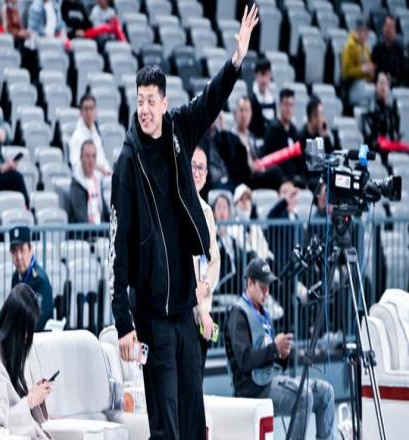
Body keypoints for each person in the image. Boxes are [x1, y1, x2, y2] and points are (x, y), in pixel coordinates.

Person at [109, 5, 259, 438]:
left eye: (151, 102)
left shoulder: (178, 131)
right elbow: (118, 247)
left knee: (193, 422)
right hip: (152, 315)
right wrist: (124, 322)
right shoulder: (127, 163)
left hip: (185, 312)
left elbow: (211, 100)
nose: (144, 110)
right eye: (139, 102)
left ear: (164, 103)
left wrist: (236, 61)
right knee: (167, 426)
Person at [224, 258, 335, 440]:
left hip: (271, 381)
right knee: (304, 397)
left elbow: (272, 359)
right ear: (249, 283)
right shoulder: (238, 315)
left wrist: (282, 355)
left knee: (326, 392)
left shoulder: (264, 314)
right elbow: (244, 361)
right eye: (262, 287)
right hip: (252, 390)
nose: (267, 293)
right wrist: (274, 348)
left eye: (268, 287)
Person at [0, 283, 53, 439]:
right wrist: (31, 400)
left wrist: (34, 396)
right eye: (25, 331)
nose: (26, 338)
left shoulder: (8, 357)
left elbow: (16, 407)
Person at [191, 147, 220, 371]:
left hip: (204, 314)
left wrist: (207, 284)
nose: (197, 172)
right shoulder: (177, 206)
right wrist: (200, 308)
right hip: (187, 311)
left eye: (201, 168)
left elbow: (214, 260)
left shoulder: (207, 211)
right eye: (192, 166)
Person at [266, 181, 301, 332]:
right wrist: (285, 200)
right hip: (282, 271)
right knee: (288, 296)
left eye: (292, 194)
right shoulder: (277, 216)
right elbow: (270, 216)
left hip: (298, 270)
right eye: (285, 193)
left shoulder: (296, 217)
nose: (290, 197)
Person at [233, 96, 284, 190]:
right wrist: (251, 168)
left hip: (256, 174)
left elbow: (256, 157)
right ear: (235, 113)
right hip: (243, 177)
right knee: (276, 172)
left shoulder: (251, 136)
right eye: (241, 110)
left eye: (247, 110)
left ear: (251, 113)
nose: (244, 114)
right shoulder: (230, 136)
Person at [10, 226, 54, 332]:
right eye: (14, 251)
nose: (18, 257)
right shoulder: (15, 277)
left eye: (22, 250)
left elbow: (40, 320)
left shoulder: (39, 280)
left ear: (30, 250)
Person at [297, 95, 335, 189]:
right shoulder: (301, 136)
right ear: (313, 117)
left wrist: (326, 138)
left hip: (321, 179)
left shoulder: (321, 135)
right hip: (308, 182)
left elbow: (332, 160)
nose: (323, 118)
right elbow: (304, 170)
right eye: (321, 114)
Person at [69, 93, 112, 176]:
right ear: (81, 112)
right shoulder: (76, 137)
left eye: (91, 109)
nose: (89, 113)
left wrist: (108, 171)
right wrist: (97, 168)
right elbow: (76, 166)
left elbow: (102, 159)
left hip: (101, 177)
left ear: (95, 111)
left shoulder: (96, 134)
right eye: (86, 109)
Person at [68, 139, 109, 224]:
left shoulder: (98, 181)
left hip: (101, 229)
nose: (91, 161)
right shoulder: (76, 186)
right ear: (81, 158)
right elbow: (82, 220)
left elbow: (104, 212)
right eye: (87, 156)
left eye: (94, 156)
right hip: (86, 231)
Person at [263, 88, 300, 181]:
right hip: (278, 178)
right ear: (279, 105)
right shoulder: (273, 129)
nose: (288, 109)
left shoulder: (294, 130)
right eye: (286, 104)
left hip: (293, 176)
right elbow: (271, 160)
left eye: (291, 105)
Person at [363, 71, 400, 163]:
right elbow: (371, 134)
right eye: (381, 83)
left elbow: (394, 132)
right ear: (376, 85)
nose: (384, 87)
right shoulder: (371, 107)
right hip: (376, 148)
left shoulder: (391, 108)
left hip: (390, 148)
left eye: (386, 83)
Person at [213, 193, 246, 297]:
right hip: (221, 281)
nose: (222, 211)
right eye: (219, 207)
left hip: (236, 280)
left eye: (225, 207)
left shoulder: (233, 239)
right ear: (213, 212)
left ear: (228, 212)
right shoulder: (211, 237)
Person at [341, 18, 374, 107]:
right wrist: (362, 70)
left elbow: (368, 69)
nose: (367, 35)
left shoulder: (365, 47)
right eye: (365, 32)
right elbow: (346, 72)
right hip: (352, 86)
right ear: (358, 31)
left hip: (364, 84)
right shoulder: (350, 46)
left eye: (368, 32)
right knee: (376, 92)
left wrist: (370, 72)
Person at [372, 14, 404, 87]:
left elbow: (403, 73)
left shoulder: (399, 50)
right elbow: (374, 72)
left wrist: (393, 79)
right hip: (380, 85)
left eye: (392, 27)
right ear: (383, 28)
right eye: (388, 26)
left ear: (395, 31)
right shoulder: (376, 49)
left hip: (396, 85)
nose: (389, 30)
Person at [248, 58, 276, 140]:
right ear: (256, 75)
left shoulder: (272, 100)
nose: (264, 80)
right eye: (261, 75)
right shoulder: (250, 99)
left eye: (266, 75)